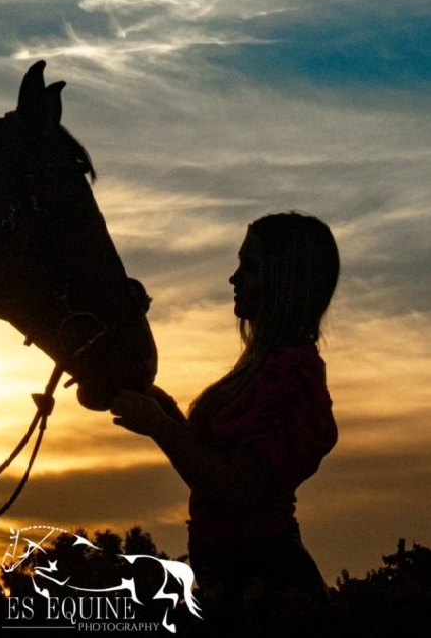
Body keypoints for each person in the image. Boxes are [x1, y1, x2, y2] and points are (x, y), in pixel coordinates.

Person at [110, 212, 339, 636]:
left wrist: (160, 426)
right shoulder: (263, 368)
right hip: (233, 578)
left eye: (248, 266)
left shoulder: (291, 375)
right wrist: (158, 406)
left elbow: (234, 488)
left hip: (266, 585)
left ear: (282, 279)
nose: (234, 278)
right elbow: (206, 473)